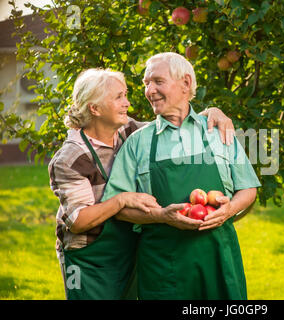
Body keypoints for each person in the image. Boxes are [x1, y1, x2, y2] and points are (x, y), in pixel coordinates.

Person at [49, 67, 235, 300]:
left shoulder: (129, 131)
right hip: (88, 258)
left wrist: (212, 112)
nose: (127, 103)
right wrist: (121, 200)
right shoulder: (71, 159)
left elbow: (174, 121)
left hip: (127, 246)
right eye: (118, 97)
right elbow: (78, 221)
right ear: (94, 109)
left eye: (125, 94)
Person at [102, 52, 261, 299]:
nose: (149, 90)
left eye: (158, 81)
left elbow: (248, 188)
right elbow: (117, 207)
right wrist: (161, 216)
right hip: (164, 266)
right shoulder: (138, 142)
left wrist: (229, 210)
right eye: (146, 84)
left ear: (186, 83)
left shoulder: (219, 131)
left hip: (219, 258)